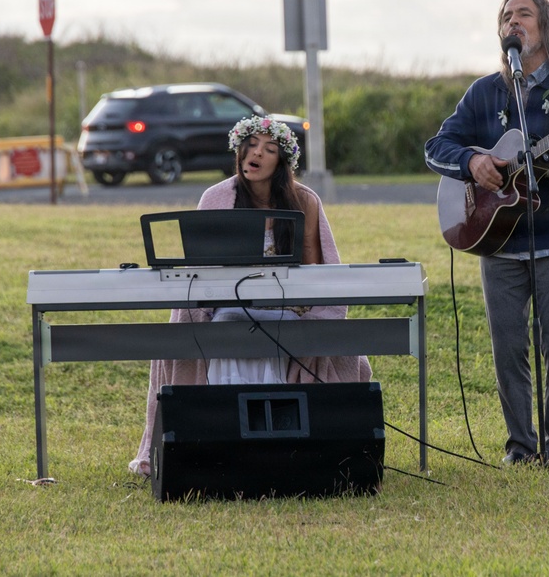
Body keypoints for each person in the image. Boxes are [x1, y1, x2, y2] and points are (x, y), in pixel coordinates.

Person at [424, 0, 549, 467]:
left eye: (523, 14)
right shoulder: (485, 91)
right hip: (497, 240)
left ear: (545, 25)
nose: (512, 22)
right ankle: (520, 447)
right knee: (508, 351)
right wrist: (473, 162)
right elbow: (437, 146)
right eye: (506, 16)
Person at [129, 115, 372, 476]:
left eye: (269, 148)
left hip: (286, 313)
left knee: (290, 337)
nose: (256, 154)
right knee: (228, 325)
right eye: (252, 146)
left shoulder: (304, 200)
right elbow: (200, 273)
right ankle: (225, 442)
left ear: (281, 161)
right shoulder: (216, 197)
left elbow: (316, 271)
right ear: (239, 150)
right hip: (229, 312)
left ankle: (278, 446)